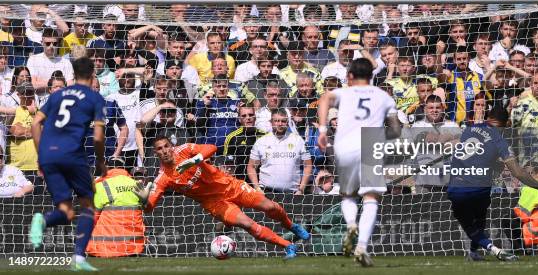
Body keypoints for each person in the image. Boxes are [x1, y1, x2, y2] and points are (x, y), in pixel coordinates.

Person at [142, 137, 311, 259]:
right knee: (248, 224)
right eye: (159, 149)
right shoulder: (162, 177)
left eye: (166, 146)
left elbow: (212, 147)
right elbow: (150, 207)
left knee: (270, 207)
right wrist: (143, 201)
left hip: (231, 186)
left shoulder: (184, 150)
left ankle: (291, 225)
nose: (164, 151)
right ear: (155, 153)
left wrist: (194, 160)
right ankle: (288, 246)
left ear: (172, 146)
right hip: (215, 204)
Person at [317, 58, 402, 267]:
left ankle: (351, 224)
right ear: (372, 76)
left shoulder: (344, 92)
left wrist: (322, 130)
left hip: (344, 145)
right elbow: (396, 130)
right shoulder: (384, 96)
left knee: (348, 194)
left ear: (351, 76)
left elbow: (324, 99)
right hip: (370, 143)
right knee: (371, 197)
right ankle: (362, 246)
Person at [447, 105, 538, 261]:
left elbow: (473, 155)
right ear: (506, 124)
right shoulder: (500, 141)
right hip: (479, 189)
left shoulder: (470, 128)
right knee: (479, 217)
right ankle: (484, 251)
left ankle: (482, 251)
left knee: (470, 223)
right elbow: (517, 172)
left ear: (488, 118)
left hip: (457, 185)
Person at [29, 57, 107, 271]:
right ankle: (79, 259)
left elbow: (35, 123)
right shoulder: (95, 97)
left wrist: (41, 154)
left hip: (47, 155)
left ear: (72, 75)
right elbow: (98, 137)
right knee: (89, 204)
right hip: (72, 154)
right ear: (93, 76)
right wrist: (101, 161)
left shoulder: (57, 95)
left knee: (66, 211)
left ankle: (43, 220)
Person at [247, 108, 312, 194]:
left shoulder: (298, 140)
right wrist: (257, 188)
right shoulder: (261, 142)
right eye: (276, 121)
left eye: (283, 121)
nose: (280, 124)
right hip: (267, 192)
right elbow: (251, 167)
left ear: (287, 123)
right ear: (271, 122)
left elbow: (308, 165)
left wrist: (301, 189)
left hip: (292, 195)